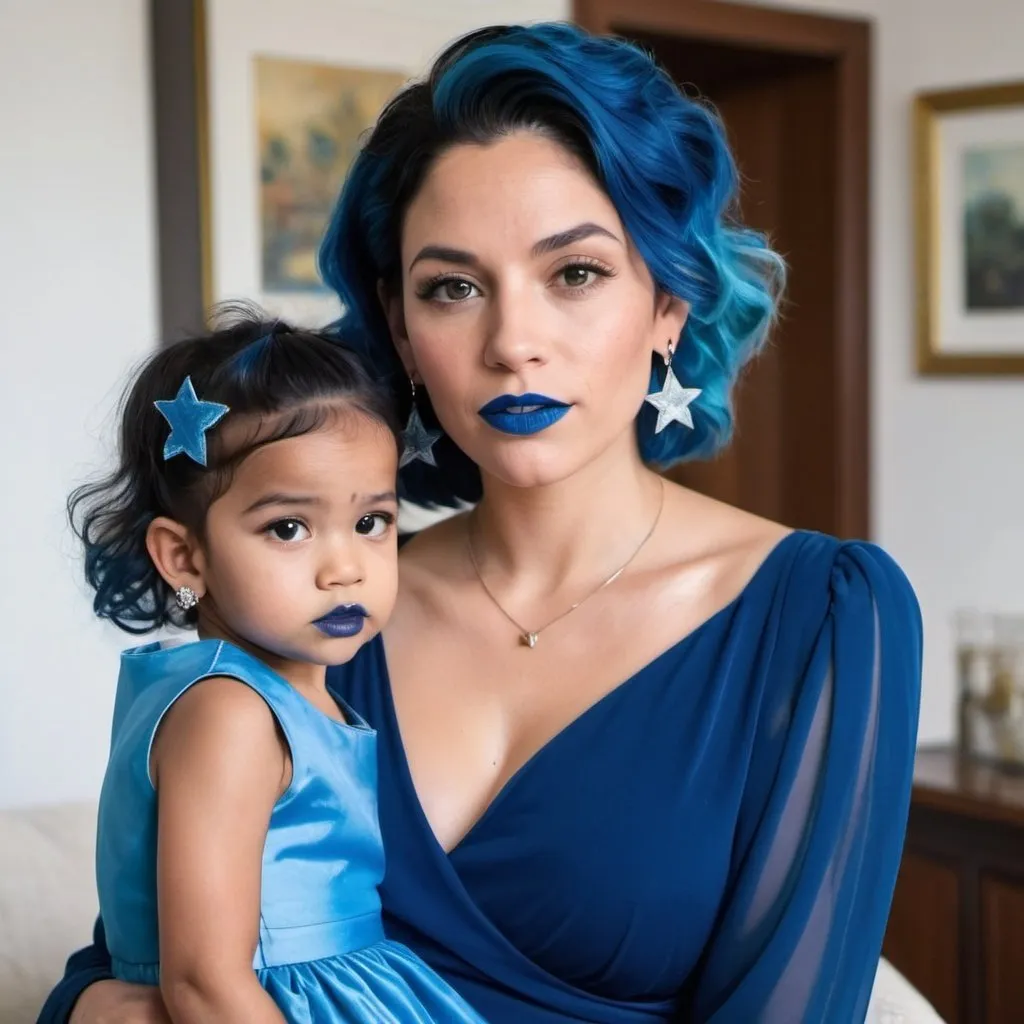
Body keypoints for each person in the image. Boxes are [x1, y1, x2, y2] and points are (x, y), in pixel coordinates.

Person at [43, 22, 922, 1024]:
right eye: (453, 288)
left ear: (667, 302)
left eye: (575, 273)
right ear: (403, 327)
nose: (513, 343)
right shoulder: (321, 607)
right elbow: (135, 958)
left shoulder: (817, 614)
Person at [53, 312, 486, 1023]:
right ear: (185, 556)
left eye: (372, 521)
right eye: (288, 528)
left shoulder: (287, 698)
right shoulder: (228, 711)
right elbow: (205, 984)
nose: (344, 568)